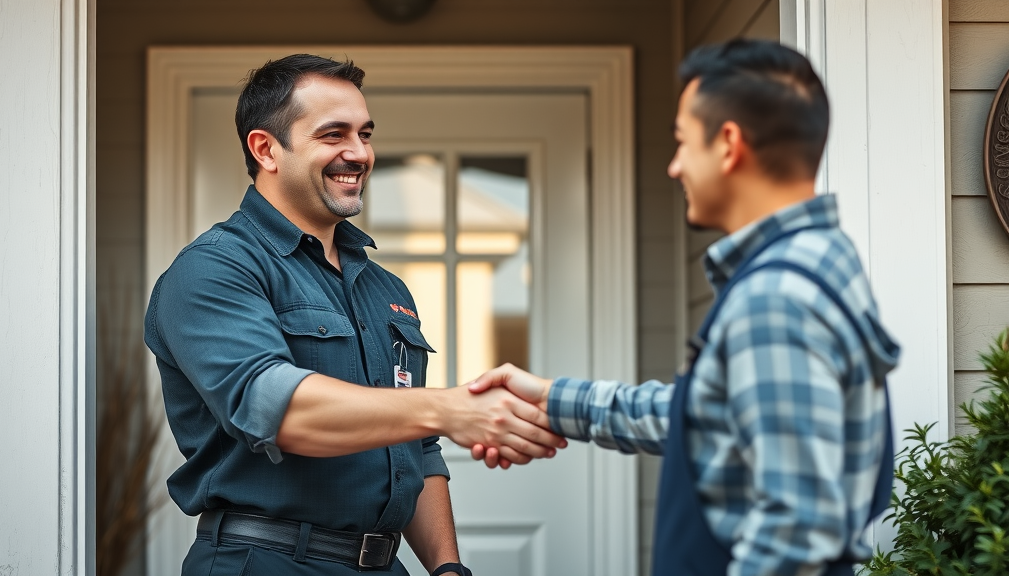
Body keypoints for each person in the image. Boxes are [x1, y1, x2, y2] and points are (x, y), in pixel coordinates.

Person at [469, 39, 900, 576]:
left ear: (727, 144)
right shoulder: (821, 261)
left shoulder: (774, 299)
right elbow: (706, 420)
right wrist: (554, 400)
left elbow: (796, 530)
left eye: (682, 143)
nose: (675, 167)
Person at [144, 54, 565, 576]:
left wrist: (447, 567)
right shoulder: (214, 270)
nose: (360, 153)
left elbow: (415, 446)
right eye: (333, 134)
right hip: (267, 562)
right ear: (266, 149)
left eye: (365, 134)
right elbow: (277, 409)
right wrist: (450, 407)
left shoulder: (387, 289)